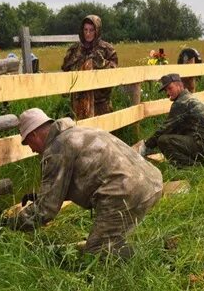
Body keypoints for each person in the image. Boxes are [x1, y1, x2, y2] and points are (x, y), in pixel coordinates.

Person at [12, 108, 163, 258]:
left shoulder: (56, 150)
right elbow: (85, 177)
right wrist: (42, 196)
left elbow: (46, 211)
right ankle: (158, 248)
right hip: (151, 182)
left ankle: (149, 257)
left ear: (34, 134)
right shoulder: (79, 132)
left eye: (28, 143)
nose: (31, 150)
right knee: (112, 239)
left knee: (97, 251)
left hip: (126, 192)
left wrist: (10, 224)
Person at [139, 73, 204, 167]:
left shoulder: (181, 103)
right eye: (166, 90)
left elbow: (165, 129)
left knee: (163, 140)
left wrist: (146, 146)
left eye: (170, 88)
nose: (168, 93)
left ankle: (189, 166)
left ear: (180, 85)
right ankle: (199, 162)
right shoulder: (189, 98)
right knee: (174, 134)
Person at [62, 15, 118, 117]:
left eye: (91, 30)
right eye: (85, 30)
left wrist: (102, 64)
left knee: (101, 131)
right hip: (77, 102)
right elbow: (65, 70)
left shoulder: (107, 49)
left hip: (100, 103)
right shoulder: (74, 50)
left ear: (97, 30)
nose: (88, 33)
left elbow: (114, 74)